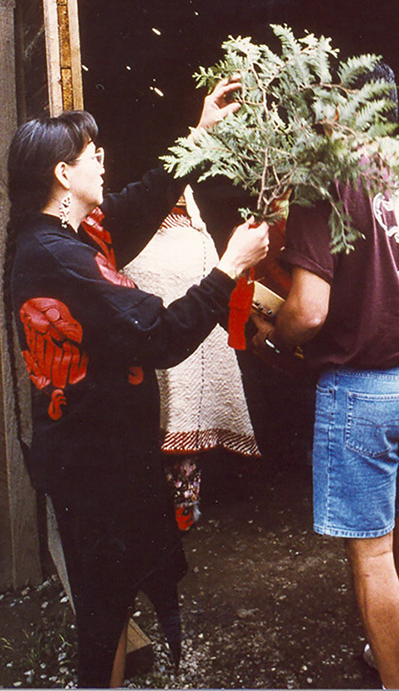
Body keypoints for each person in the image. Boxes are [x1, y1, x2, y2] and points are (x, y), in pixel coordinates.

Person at [2, 79, 269, 689]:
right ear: (62, 174)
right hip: (93, 466)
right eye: (93, 154)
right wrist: (230, 266)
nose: (104, 160)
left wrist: (201, 136)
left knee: (112, 605)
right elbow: (162, 337)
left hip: (100, 457)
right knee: (102, 617)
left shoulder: (67, 234)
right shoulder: (57, 257)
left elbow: (139, 201)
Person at [252, 146, 399, 690]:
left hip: (362, 386)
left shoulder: (326, 188)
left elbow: (308, 311)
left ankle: (398, 683)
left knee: (372, 551)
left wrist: (274, 338)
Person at [123, 185, 260, 532]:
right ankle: (183, 510)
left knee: (154, 439)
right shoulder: (195, 240)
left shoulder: (136, 240)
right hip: (180, 345)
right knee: (183, 438)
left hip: (158, 355)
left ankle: (168, 513)